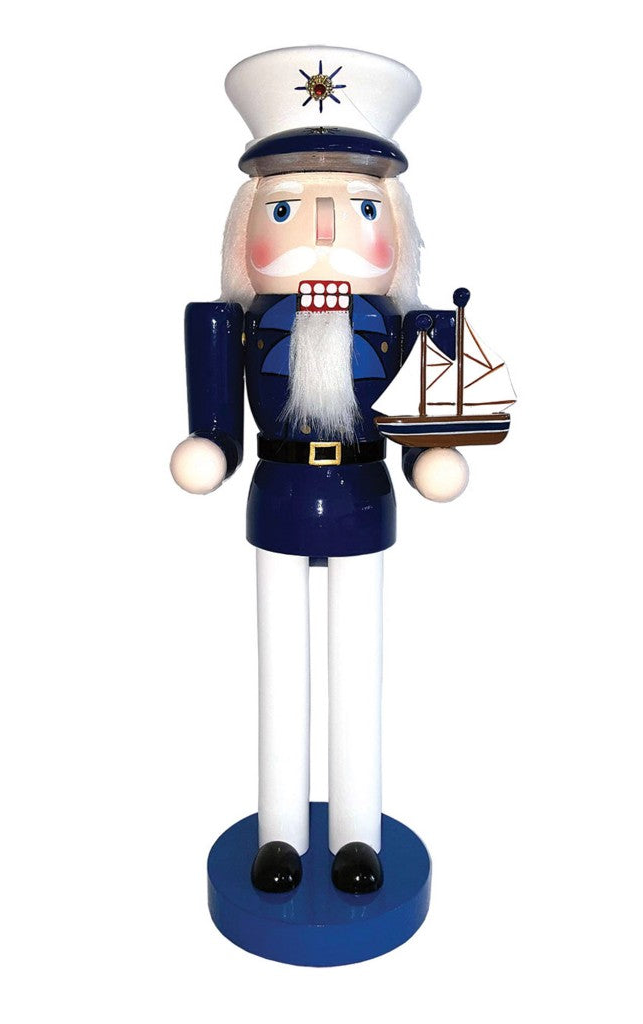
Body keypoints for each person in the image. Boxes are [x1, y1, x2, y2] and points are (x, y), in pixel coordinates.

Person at [170, 46, 469, 894]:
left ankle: (356, 833)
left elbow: (426, 419)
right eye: (289, 206)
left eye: (362, 205)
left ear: (396, 226)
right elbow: (215, 414)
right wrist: (212, 445)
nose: (327, 228)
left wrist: (431, 454)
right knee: (280, 662)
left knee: (356, 662)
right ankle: (277, 832)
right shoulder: (233, 321)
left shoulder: (415, 326)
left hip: (365, 494)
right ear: (245, 228)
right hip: (278, 490)